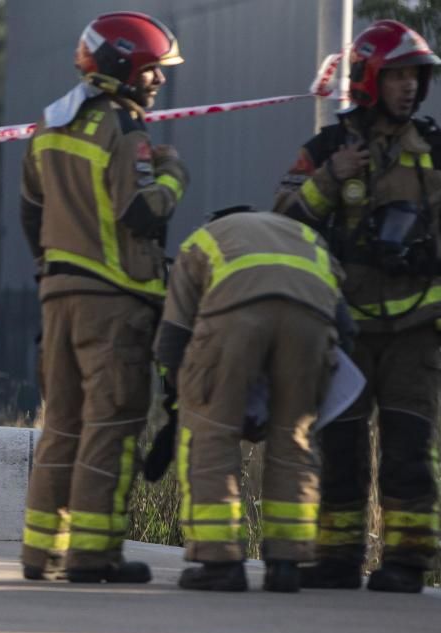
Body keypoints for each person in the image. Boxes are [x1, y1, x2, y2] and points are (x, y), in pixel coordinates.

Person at [18, 11, 188, 583]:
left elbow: (30, 211)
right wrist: (173, 176)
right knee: (110, 427)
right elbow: (139, 211)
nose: (158, 81)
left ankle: (39, 552)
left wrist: (51, 273)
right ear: (122, 67)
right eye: (151, 70)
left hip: (58, 298)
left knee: (62, 423)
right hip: (115, 303)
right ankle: (93, 554)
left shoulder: (49, 125)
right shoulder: (125, 130)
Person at [273, 20, 441, 593]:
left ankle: (408, 561)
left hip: (417, 327)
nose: (410, 88)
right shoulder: (326, 148)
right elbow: (284, 223)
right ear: (370, 78)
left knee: (409, 446)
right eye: (397, 75)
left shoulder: (434, 151)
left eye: (415, 76)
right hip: (344, 331)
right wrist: (328, 179)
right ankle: (338, 558)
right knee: (340, 447)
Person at [147, 208, 354, 592]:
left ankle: (218, 561)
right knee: (294, 438)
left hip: (233, 316)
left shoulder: (201, 242)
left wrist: (183, 399)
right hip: (310, 322)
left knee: (211, 437)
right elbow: (345, 330)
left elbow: (173, 335)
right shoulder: (305, 240)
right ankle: (286, 563)